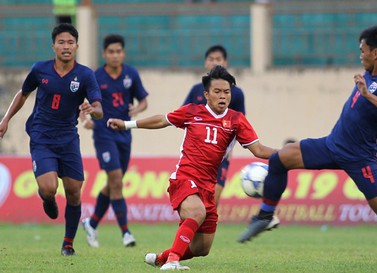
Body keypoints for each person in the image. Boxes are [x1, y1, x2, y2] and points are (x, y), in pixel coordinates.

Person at [238, 25, 377, 243]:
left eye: (362, 50)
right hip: (332, 145)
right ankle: (265, 216)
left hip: (359, 157)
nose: (360, 55)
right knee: (280, 158)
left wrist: (369, 96)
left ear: (376, 53)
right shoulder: (374, 70)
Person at [107, 65, 277, 270]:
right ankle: (171, 263)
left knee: (201, 248)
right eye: (217, 92)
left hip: (208, 185)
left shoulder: (236, 120)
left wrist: (287, 155)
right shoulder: (192, 112)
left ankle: (161, 258)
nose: (223, 96)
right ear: (206, 94)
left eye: (227, 92)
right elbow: (163, 120)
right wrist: (127, 124)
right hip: (184, 178)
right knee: (196, 213)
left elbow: (258, 150)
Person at [0, 23, 103, 256]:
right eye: (61, 42)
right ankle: (46, 198)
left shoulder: (85, 75)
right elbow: (23, 94)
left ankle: (68, 244)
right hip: (42, 136)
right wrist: (6, 119)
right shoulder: (40, 70)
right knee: (49, 188)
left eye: (70, 42)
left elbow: (99, 108)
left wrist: (92, 109)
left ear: (77, 46)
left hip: (68, 138)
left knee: (75, 191)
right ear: (54, 46)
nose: (66, 46)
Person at [79, 34, 149, 248]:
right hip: (103, 133)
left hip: (125, 132)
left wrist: (135, 109)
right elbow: (80, 100)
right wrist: (85, 119)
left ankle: (91, 223)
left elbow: (143, 100)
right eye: (111, 52)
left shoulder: (131, 74)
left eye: (118, 51)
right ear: (104, 54)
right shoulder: (96, 76)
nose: (115, 55)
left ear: (123, 53)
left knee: (113, 183)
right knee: (116, 179)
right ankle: (126, 233)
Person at [183, 45, 245, 205]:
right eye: (211, 59)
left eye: (218, 59)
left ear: (225, 62)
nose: (215, 63)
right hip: (196, 157)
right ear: (205, 63)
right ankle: (188, 229)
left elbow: (240, 125)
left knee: (212, 201)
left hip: (221, 155)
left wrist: (230, 149)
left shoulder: (236, 94)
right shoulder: (196, 90)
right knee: (193, 203)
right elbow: (183, 118)